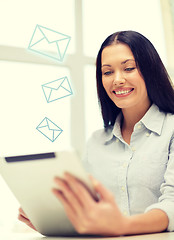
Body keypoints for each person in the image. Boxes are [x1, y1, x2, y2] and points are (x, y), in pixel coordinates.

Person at [18, 30, 174, 236]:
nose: (117, 80)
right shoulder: (97, 142)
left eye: (128, 68)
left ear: (150, 70)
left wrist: (122, 225)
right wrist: (54, 221)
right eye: (107, 72)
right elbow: (89, 210)